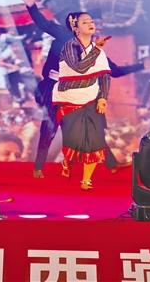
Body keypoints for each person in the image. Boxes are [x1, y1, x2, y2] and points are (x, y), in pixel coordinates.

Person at [19, 0, 143, 178]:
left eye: (97, 24)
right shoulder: (64, 35)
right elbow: (44, 25)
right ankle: (38, 167)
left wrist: (141, 65)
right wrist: (31, 6)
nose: (96, 27)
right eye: (92, 23)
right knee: (50, 128)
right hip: (54, 90)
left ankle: (112, 165)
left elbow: (116, 71)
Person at [52, 12, 112, 190]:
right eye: (85, 22)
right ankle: (67, 160)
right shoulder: (69, 47)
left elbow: (104, 76)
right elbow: (80, 68)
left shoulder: (98, 51)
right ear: (75, 28)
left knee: (94, 140)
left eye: (92, 21)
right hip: (69, 99)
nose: (91, 24)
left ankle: (86, 180)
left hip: (91, 98)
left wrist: (103, 97)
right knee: (74, 140)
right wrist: (96, 50)